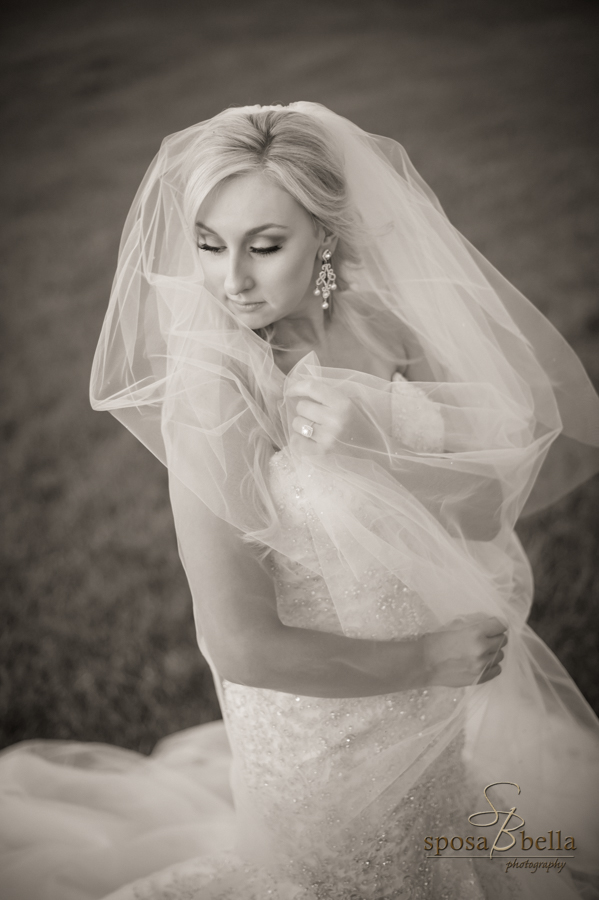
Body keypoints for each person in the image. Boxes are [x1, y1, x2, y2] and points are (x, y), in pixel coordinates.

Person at [1, 102, 598, 900]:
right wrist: (427, 659)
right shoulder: (218, 394)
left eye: (265, 244)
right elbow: (238, 643)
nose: (229, 279)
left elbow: (485, 509)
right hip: (326, 738)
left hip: (434, 721)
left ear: (325, 233)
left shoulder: (387, 331)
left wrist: (370, 459)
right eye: (209, 245)